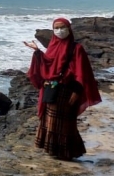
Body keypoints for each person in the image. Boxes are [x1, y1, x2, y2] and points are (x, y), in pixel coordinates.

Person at [24, 17, 102, 160]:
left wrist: (77, 92)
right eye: (56, 28)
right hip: (52, 89)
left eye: (62, 27)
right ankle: (52, 150)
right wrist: (37, 52)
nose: (59, 31)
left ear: (69, 29)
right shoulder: (53, 46)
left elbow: (82, 72)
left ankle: (67, 152)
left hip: (67, 91)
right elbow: (47, 64)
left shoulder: (76, 48)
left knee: (65, 123)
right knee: (50, 121)